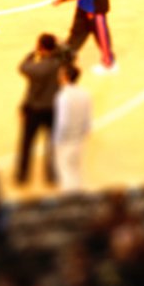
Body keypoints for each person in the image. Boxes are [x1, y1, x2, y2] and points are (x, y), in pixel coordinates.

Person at [16, 34, 65, 188]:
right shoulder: (59, 65)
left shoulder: (36, 68)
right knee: (52, 143)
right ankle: (51, 174)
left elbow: (22, 67)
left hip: (35, 109)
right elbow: (69, 57)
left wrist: (32, 53)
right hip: (53, 109)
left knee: (27, 143)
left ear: (41, 48)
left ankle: (23, 175)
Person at [53, 62, 93, 191]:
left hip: (66, 139)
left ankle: (70, 198)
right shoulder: (85, 93)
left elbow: (62, 121)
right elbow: (88, 118)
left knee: (65, 170)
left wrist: (56, 140)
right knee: (76, 168)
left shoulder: (63, 96)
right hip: (79, 138)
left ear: (65, 77)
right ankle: (78, 193)